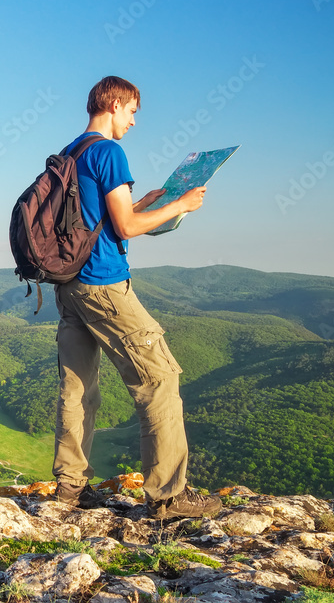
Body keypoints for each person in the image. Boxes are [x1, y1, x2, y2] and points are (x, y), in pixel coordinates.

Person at [52, 76, 222, 519]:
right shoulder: (109, 151)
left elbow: (104, 219)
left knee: (77, 387)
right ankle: (168, 497)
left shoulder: (73, 151)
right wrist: (179, 206)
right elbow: (126, 228)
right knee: (159, 379)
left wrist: (145, 202)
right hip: (104, 285)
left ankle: (70, 488)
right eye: (132, 111)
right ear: (115, 103)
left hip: (69, 285)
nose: (133, 121)